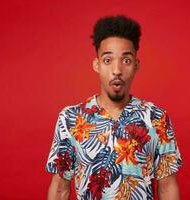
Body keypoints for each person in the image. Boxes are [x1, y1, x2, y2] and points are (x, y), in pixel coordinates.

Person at [46, 15, 182, 200]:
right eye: (108, 60)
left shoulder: (157, 118)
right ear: (97, 65)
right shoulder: (71, 118)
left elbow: (167, 188)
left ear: (136, 65)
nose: (117, 70)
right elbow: (60, 188)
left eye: (126, 60)